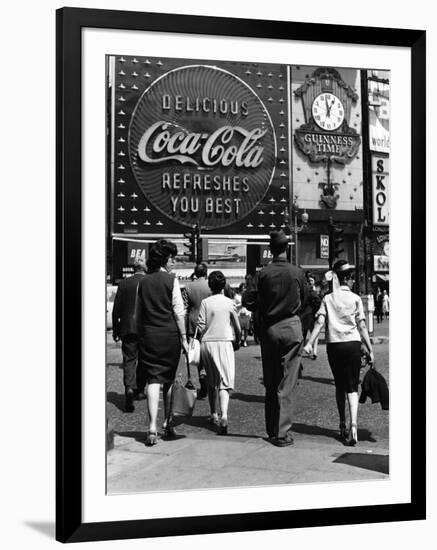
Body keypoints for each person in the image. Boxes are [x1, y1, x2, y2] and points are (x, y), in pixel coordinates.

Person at [243, 230, 307, 447]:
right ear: (286, 248)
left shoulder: (263, 274)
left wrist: (264, 305)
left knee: (270, 381)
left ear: (270, 250)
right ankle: (282, 433)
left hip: (269, 329)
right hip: (291, 327)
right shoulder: (297, 272)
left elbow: (248, 300)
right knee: (287, 382)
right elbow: (308, 299)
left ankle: (271, 428)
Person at [303, 260, 374, 446]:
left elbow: (319, 322)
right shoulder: (356, 299)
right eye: (352, 278)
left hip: (335, 345)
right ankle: (354, 426)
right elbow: (362, 326)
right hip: (353, 345)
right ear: (348, 279)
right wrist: (370, 348)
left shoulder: (328, 298)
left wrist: (310, 343)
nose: (353, 282)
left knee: (339, 386)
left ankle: (342, 423)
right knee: (352, 387)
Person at [136, 240, 189, 446]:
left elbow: (138, 314)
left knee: (153, 379)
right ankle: (168, 423)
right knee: (168, 379)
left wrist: (142, 333)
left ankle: (151, 427)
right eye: (172, 258)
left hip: (149, 335)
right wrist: (184, 338)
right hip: (169, 336)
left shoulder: (144, 282)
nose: (173, 261)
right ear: (165, 258)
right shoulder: (171, 280)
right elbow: (178, 312)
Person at [197, 271, 241, 435]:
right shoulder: (229, 302)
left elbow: (200, 326)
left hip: (207, 344)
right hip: (224, 342)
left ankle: (213, 413)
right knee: (224, 382)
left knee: (210, 380)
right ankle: (224, 415)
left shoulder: (205, 302)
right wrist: (237, 340)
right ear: (224, 285)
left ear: (210, 285)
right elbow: (237, 325)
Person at [112, 258, 146, 412]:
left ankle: (129, 388)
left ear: (133, 268)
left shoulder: (124, 283)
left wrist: (116, 330)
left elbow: (116, 309)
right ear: (144, 268)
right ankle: (139, 388)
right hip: (145, 328)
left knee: (129, 360)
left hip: (127, 327)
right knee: (144, 359)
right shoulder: (148, 282)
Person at [184, 262, 211, 398]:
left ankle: (202, 377)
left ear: (195, 273)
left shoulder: (189, 287)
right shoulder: (210, 285)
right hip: (209, 322)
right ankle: (208, 375)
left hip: (193, 323)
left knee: (197, 352)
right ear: (206, 273)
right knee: (209, 350)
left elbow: (185, 307)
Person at [301, 272, 322, 360]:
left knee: (312, 333)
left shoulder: (314, 289)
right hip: (309, 314)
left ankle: (314, 351)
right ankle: (309, 348)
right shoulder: (310, 290)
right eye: (309, 280)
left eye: (312, 280)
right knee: (307, 333)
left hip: (308, 314)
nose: (310, 282)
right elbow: (318, 301)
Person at [234, 282, 251, 347]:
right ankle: (240, 340)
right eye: (243, 287)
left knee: (246, 329)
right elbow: (234, 305)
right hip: (239, 315)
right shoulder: (236, 296)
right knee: (239, 329)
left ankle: (245, 341)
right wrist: (240, 305)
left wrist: (250, 314)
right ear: (240, 288)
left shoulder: (248, 296)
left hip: (247, 314)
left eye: (245, 288)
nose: (244, 289)